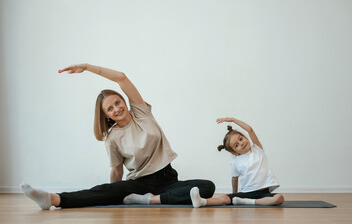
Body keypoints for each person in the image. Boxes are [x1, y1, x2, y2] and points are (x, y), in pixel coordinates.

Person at [21, 63, 215, 210]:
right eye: (110, 108)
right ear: (106, 115)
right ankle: (54, 199)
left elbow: (121, 78)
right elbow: (116, 171)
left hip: (168, 179)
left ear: (124, 100)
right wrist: (112, 192)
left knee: (207, 187)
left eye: (118, 102)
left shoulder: (142, 112)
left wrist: (87, 67)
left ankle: (148, 200)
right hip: (140, 182)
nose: (117, 108)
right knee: (106, 191)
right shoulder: (112, 138)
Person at [190, 117, 284, 208]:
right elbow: (234, 178)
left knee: (279, 198)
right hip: (247, 192)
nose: (241, 143)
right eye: (236, 145)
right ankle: (201, 201)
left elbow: (250, 129)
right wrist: (234, 194)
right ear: (235, 152)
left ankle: (247, 202)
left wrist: (233, 120)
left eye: (241, 139)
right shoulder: (236, 161)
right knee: (225, 198)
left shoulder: (257, 149)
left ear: (245, 137)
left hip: (264, 193)